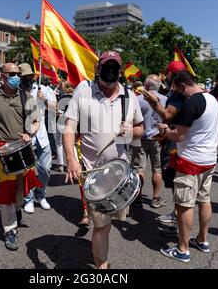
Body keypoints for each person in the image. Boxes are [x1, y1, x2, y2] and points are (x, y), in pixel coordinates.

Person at [63, 50, 144, 269]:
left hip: (119, 174)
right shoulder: (84, 92)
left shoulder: (130, 96)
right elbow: (69, 128)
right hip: (93, 174)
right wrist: (71, 159)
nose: (110, 71)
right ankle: (102, 266)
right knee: (101, 225)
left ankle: (97, 252)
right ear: (97, 68)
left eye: (114, 67)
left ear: (120, 71)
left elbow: (141, 128)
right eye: (105, 66)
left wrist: (133, 131)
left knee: (107, 224)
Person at [0, 63, 41, 251]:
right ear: (3, 76)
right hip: (3, 150)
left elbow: (36, 121)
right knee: (5, 192)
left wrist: (30, 131)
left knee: (21, 192)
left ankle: (17, 208)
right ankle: (10, 230)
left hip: (24, 149)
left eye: (18, 74)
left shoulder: (27, 97)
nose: (16, 77)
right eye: (12, 74)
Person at [158, 71, 218, 263]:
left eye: (178, 90)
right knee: (204, 199)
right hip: (209, 159)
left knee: (185, 205)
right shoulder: (212, 99)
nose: (178, 94)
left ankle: (182, 249)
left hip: (191, 161)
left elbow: (179, 136)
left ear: (183, 86)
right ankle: (202, 239)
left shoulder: (191, 103)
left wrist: (166, 131)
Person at [143, 60, 186, 231]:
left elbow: (167, 117)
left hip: (175, 143)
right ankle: (174, 213)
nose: (165, 77)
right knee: (169, 176)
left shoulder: (176, 96)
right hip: (173, 141)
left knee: (176, 181)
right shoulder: (178, 94)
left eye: (167, 74)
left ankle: (177, 220)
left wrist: (155, 104)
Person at [19, 63, 55, 214]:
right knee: (28, 170)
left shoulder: (43, 89)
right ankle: (28, 199)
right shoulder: (15, 91)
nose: (28, 78)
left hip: (42, 136)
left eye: (30, 76)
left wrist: (44, 100)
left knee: (45, 169)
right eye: (24, 76)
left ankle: (41, 195)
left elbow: (54, 108)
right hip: (24, 136)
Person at [130, 75, 167, 208]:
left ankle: (138, 198)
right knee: (157, 169)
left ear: (146, 85)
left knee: (139, 168)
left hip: (140, 137)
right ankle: (156, 198)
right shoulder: (165, 100)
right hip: (158, 138)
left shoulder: (137, 100)